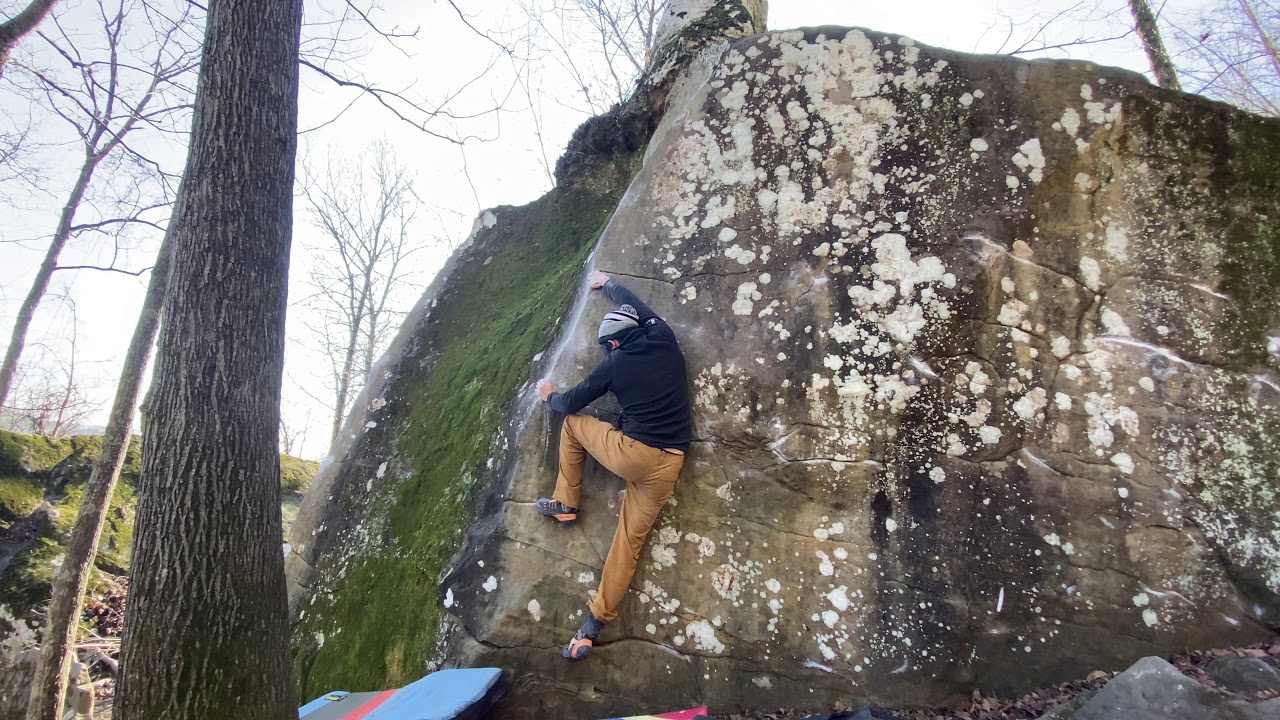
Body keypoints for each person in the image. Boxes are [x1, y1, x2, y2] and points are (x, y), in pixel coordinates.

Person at [535, 269, 692, 661]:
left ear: (616, 341)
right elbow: (636, 305)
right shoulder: (663, 336)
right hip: (670, 463)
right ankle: (591, 628)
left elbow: (571, 405)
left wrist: (549, 394)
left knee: (572, 426)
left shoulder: (616, 363)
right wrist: (606, 284)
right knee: (629, 544)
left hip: (633, 454)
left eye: (609, 346)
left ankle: (567, 502)